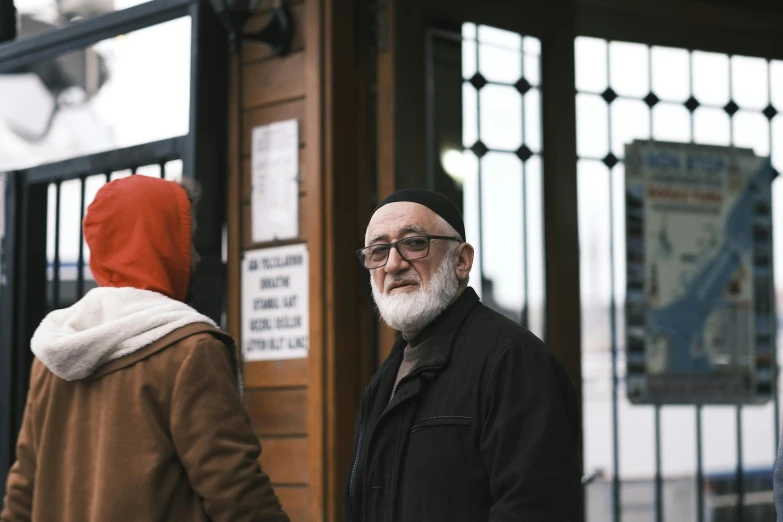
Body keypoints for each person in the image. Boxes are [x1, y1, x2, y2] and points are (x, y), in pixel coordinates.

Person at [1, 175, 289, 522]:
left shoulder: (54, 350)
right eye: (187, 240)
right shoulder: (190, 349)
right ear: (160, 243)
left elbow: (22, 492)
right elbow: (236, 491)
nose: (195, 257)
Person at [344, 188, 582, 521]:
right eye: (379, 251)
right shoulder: (385, 381)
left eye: (414, 243)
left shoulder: (513, 360)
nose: (394, 264)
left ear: (461, 260)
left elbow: (536, 507)